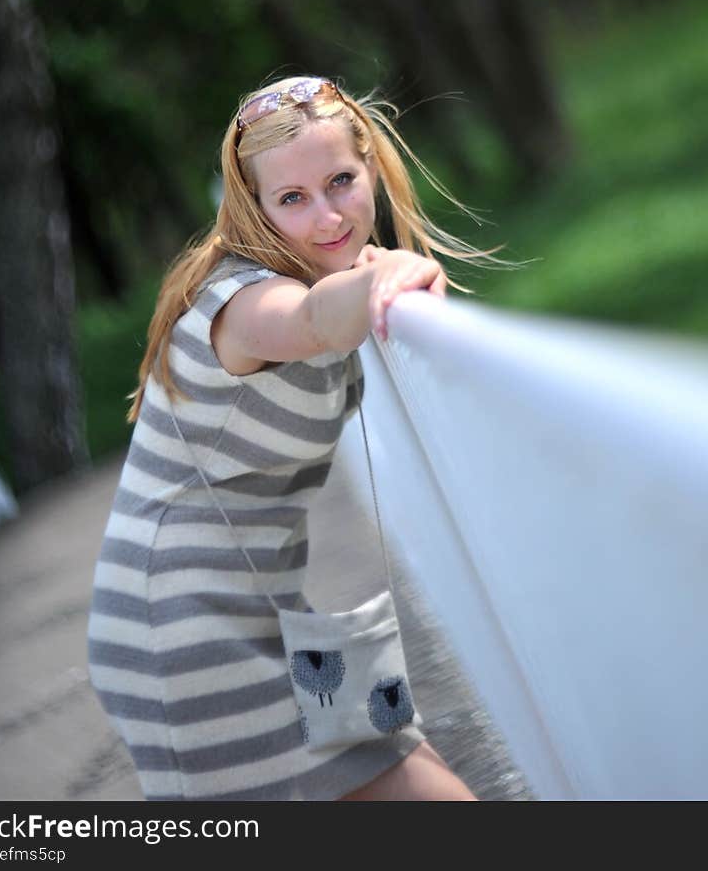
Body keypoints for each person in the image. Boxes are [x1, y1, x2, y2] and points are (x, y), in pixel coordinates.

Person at [87, 75, 511, 801]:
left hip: (265, 613)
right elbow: (314, 321)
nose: (327, 218)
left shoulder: (312, 270)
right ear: (255, 207)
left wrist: (373, 272)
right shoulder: (246, 301)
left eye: (341, 181)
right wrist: (389, 274)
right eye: (292, 199)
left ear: (371, 167)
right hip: (186, 632)